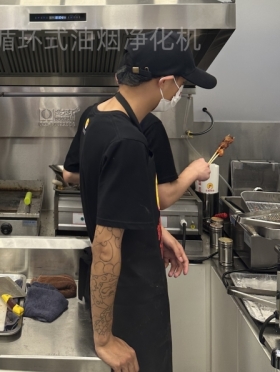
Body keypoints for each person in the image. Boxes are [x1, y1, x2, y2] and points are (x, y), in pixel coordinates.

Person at [78, 31, 217, 372]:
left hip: (127, 293)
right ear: (165, 82)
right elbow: (106, 246)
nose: (179, 92)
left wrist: (154, 232)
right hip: (132, 305)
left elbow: (115, 209)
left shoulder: (98, 120)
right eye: (181, 83)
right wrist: (104, 339)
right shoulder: (128, 142)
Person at [63, 106, 211, 209]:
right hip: (133, 235)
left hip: (97, 228)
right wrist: (193, 171)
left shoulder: (91, 114)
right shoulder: (150, 125)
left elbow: (69, 174)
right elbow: (162, 198)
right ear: (161, 82)